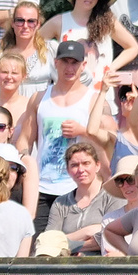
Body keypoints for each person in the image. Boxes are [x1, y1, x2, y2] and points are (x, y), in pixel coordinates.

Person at [18, 40, 98, 231]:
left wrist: (82, 131)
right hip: (42, 187)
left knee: (73, 245)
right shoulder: (39, 98)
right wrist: (23, 162)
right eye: (65, 62)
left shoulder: (93, 99)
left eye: (74, 63)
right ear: (56, 62)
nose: (69, 68)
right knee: (36, 246)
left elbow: (108, 140)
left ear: (83, 65)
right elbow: (25, 139)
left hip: (78, 186)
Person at [40, 0, 138, 99]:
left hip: (101, 95)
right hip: (66, 96)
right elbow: (34, 46)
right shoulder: (59, 21)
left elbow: (133, 48)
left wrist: (110, 68)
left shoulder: (108, 22)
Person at [46, 140, 124, 255]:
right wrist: (87, 232)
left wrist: (65, 243)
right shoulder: (60, 203)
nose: (81, 170)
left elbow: (111, 237)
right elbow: (48, 241)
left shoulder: (113, 197)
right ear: (68, 170)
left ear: (97, 166)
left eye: (86, 163)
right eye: (74, 165)